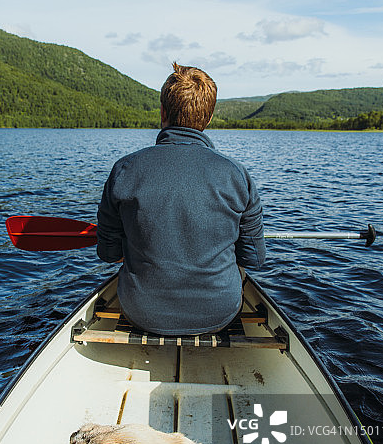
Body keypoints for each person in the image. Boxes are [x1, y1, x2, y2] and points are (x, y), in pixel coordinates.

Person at [96, 62, 266, 336]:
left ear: (162, 112)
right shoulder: (236, 175)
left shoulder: (124, 169)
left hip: (141, 312)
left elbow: (109, 254)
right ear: (209, 118)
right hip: (220, 313)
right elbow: (254, 258)